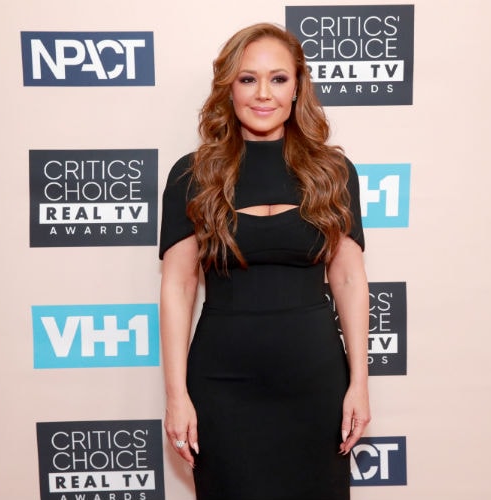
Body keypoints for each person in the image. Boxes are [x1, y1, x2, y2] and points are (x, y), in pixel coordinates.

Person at [159, 22, 370, 500]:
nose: (263, 94)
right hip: (222, 384)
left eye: (278, 79)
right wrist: (176, 395)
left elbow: (349, 280)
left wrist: (359, 383)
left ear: (297, 87)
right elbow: (177, 286)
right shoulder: (193, 174)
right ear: (228, 88)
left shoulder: (333, 172)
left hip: (315, 380)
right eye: (247, 79)